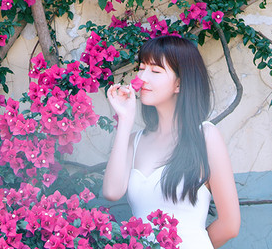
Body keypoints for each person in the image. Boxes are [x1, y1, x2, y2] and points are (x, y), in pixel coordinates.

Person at [102, 34, 240, 249]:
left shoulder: (205, 136)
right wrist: (125, 119)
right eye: (141, 68)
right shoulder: (133, 141)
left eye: (155, 71)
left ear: (179, 84)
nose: (143, 77)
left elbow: (230, 225)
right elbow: (112, 192)